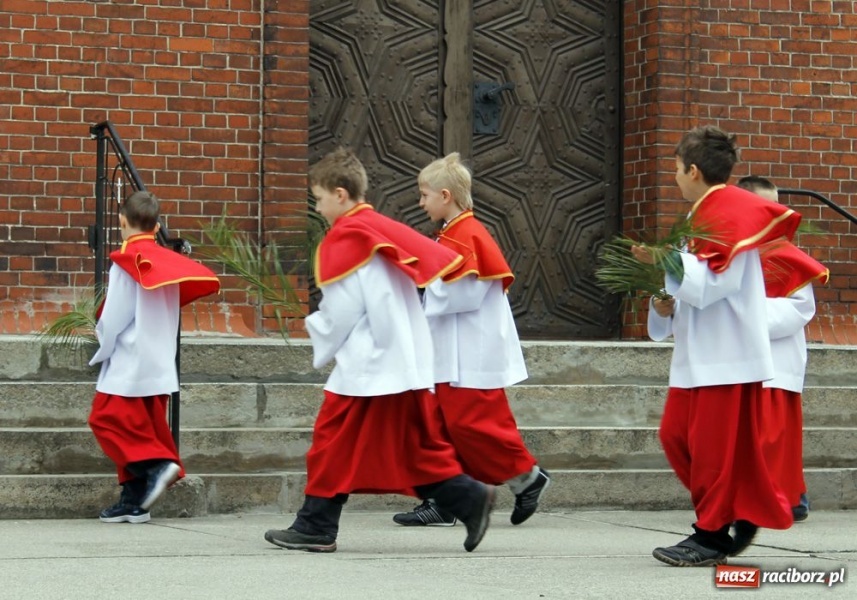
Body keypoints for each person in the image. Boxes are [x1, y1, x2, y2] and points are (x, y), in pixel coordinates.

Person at [263, 148, 495, 553]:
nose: (317, 208)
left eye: (317, 198)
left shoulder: (347, 238)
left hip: (371, 364)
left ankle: (316, 526)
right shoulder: (378, 227)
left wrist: (313, 328)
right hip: (401, 360)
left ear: (339, 194)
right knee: (411, 450)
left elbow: (343, 309)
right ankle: (468, 498)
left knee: (330, 443)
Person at [633, 126, 802, 567]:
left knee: (710, 454)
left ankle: (709, 536)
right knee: (675, 437)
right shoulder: (706, 213)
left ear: (692, 170)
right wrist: (664, 303)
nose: (673, 177)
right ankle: (734, 511)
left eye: (674, 169)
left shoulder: (726, 211)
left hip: (725, 356)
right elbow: (698, 283)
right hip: (701, 354)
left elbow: (717, 283)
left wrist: (665, 260)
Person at [392, 152, 549, 528]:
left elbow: (466, 294)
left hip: (471, 352)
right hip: (452, 348)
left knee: (476, 425)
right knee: (439, 425)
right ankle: (447, 501)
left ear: (445, 195)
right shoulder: (453, 232)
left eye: (424, 194)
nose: (420, 202)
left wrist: (419, 288)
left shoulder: (468, 234)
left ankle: (527, 478)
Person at [88, 190, 221, 523]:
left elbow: (115, 316)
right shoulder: (167, 264)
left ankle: (156, 466)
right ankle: (133, 502)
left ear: (121, 222)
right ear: (157, 225)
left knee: (105, 421)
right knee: (145, 428)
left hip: (129, 361)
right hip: (159, 361)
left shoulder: (126, 263)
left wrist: (100, 336)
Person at [736, 175, 829, 524]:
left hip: (775, 363)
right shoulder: (721, 250)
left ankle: (786, 497)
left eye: (779, 207)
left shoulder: (788, 256)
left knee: (774, 439)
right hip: (732, 361)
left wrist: (744, 315)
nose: (776, 214)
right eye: (766, 207)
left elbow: (800, 308)